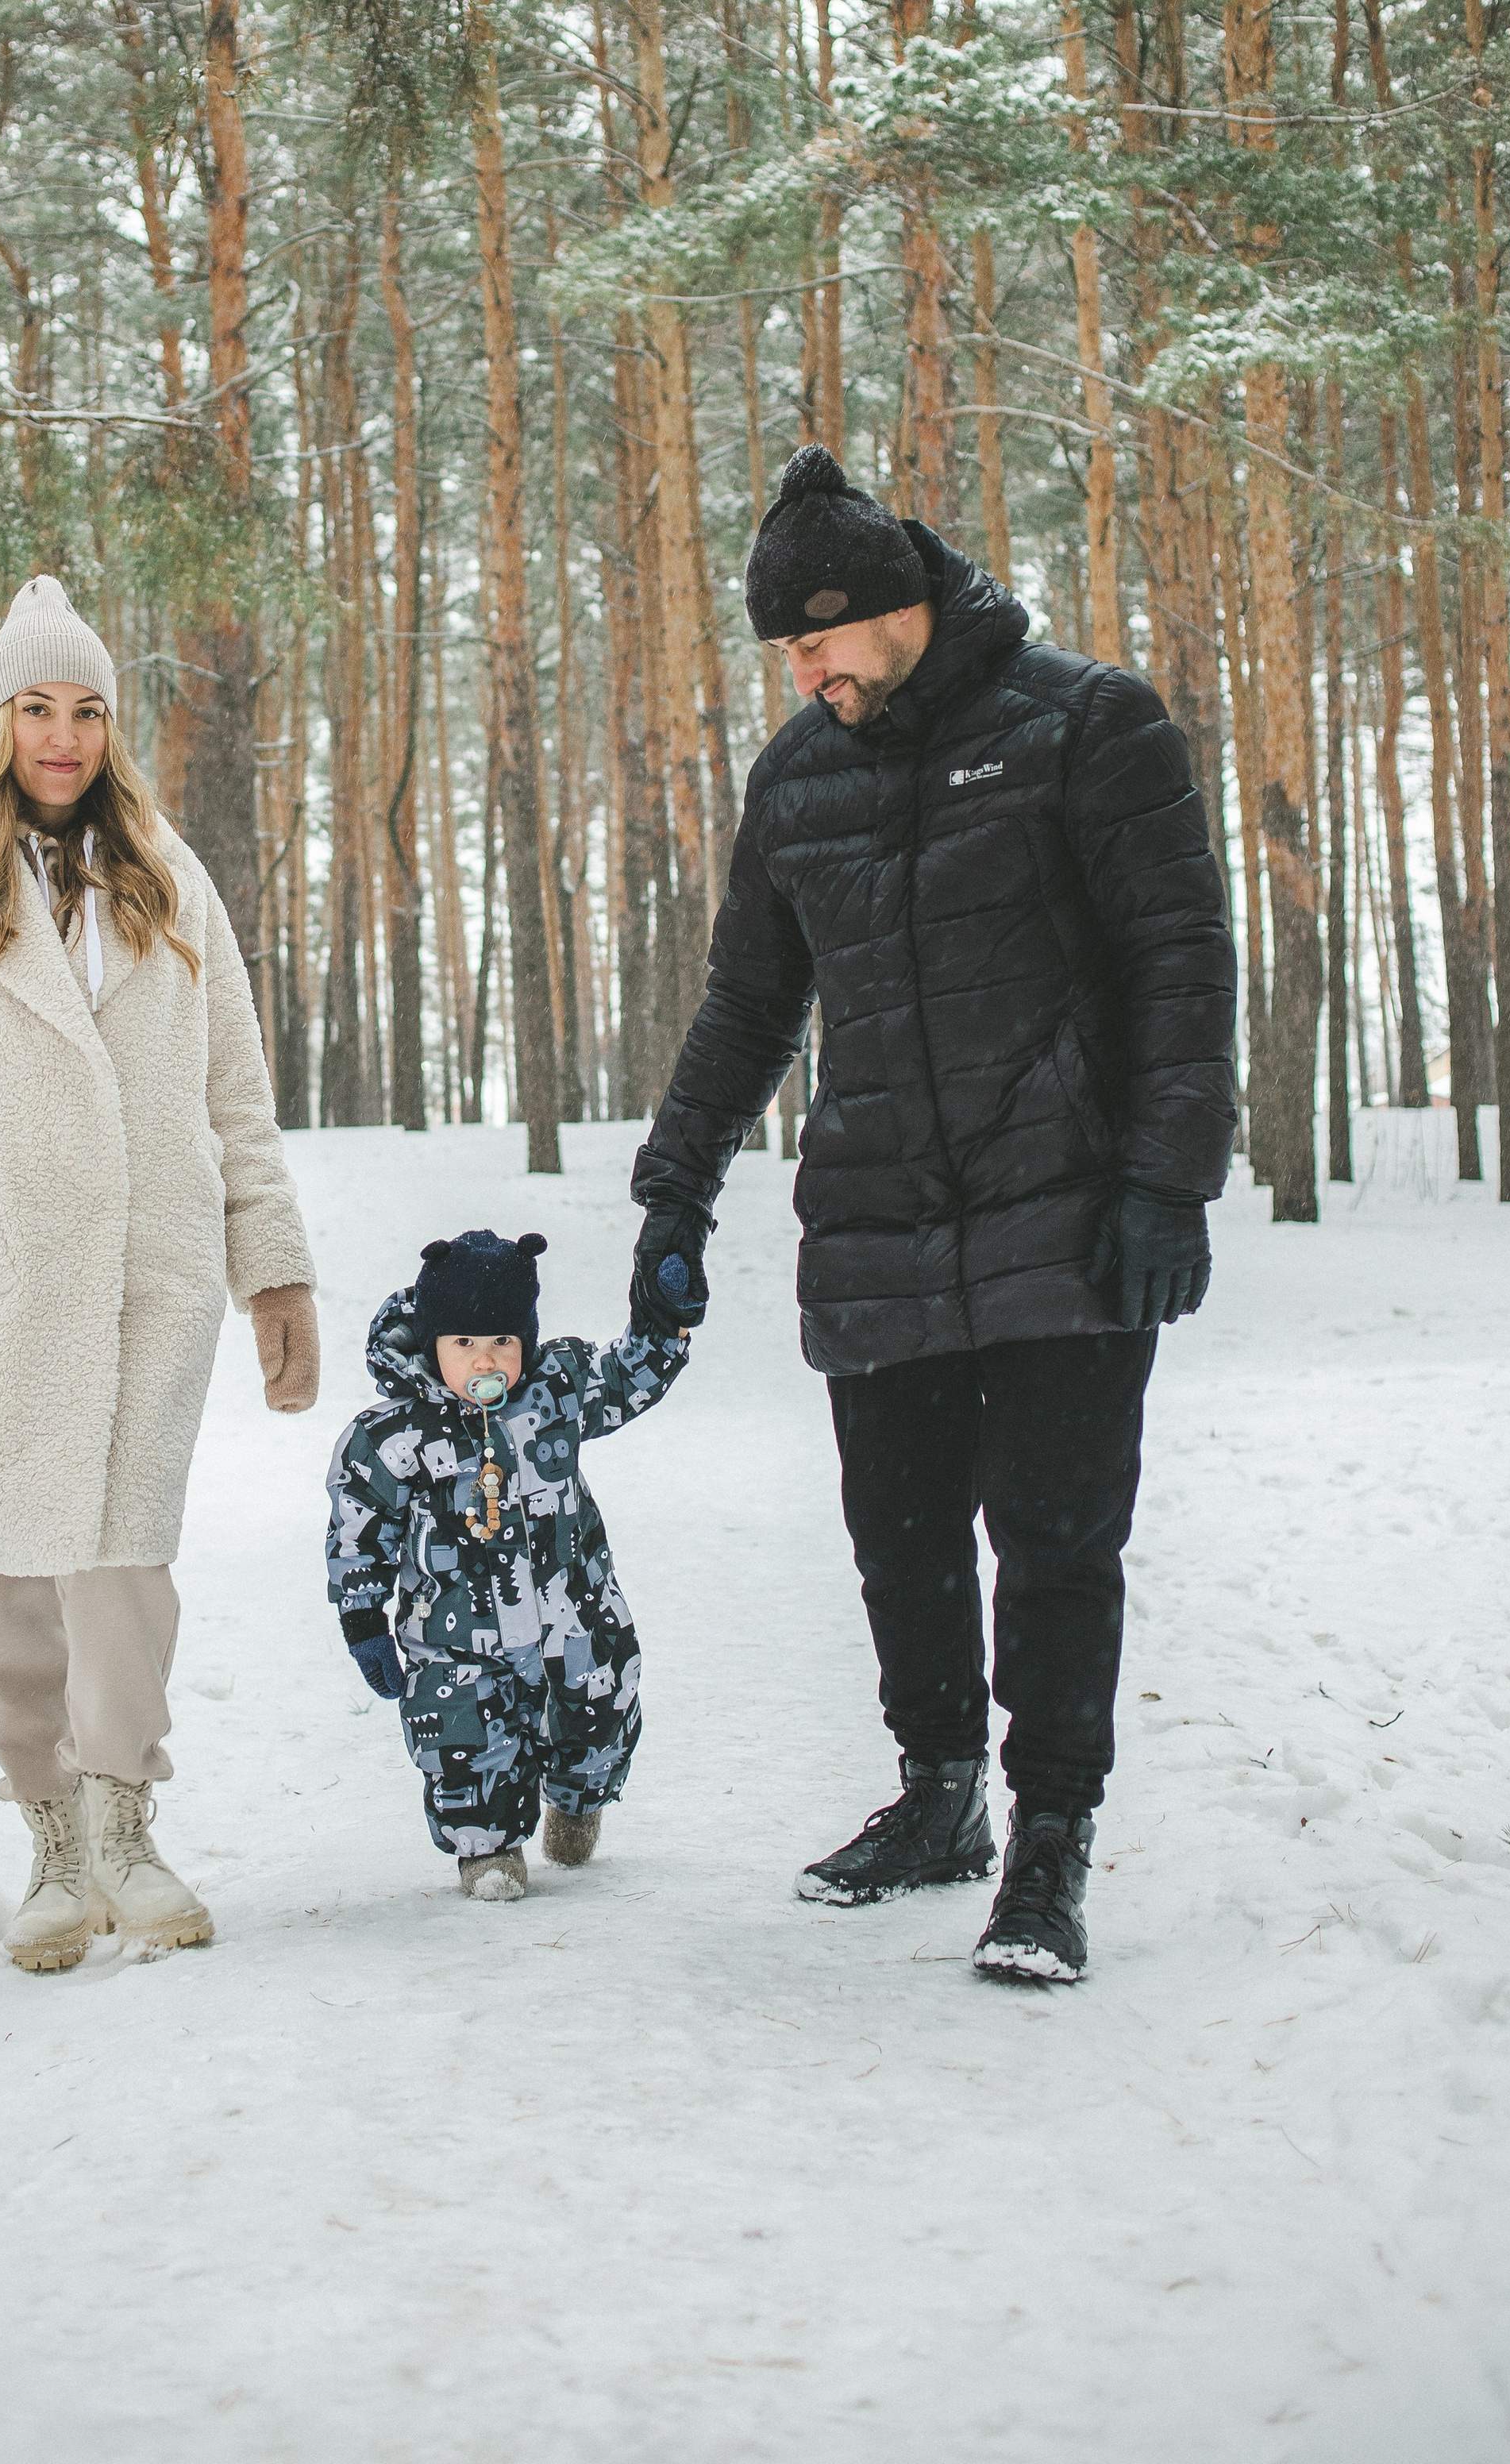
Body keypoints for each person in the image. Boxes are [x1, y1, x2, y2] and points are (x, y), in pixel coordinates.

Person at [628, 445, 1235, 1984]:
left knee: (1051, 1542)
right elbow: (748, 1002)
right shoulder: (796, 775)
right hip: (877, 1212)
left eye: (812, 636)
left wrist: (1169, 1179)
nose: (799, 668)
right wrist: (672, 1188)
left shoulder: (1085, 724)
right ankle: (937, 1798)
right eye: (781, 647)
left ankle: (1046, 1847)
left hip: (1065, 1213)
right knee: (896, 1538)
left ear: (888, 605)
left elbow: (1179, 960)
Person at [0, 574, 318, 1973]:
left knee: (125, 1564)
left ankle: (124, 1825)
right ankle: (47, 1839)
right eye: (37, 708)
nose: (65, 736)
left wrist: (273, 1274)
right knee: (12, 1569)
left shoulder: (165, 867)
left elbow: (236, 1086)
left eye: (89, 710)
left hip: (149, 1265)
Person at [325, 1228, 689, 1901]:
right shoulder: (395, 1434)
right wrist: (363, 1618)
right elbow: (359, 1528)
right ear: (434, 1345)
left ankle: (578, 1804)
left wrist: (666, 1315)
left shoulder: (557, 1394)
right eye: (463, 1344)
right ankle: (487, 1849)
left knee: (599, 1708)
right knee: (465, 1736)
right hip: (457, 1637)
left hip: (576, 1613)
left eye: (503, 1343)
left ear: (527, 1342)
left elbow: (630, 1372)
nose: (484, 1359)